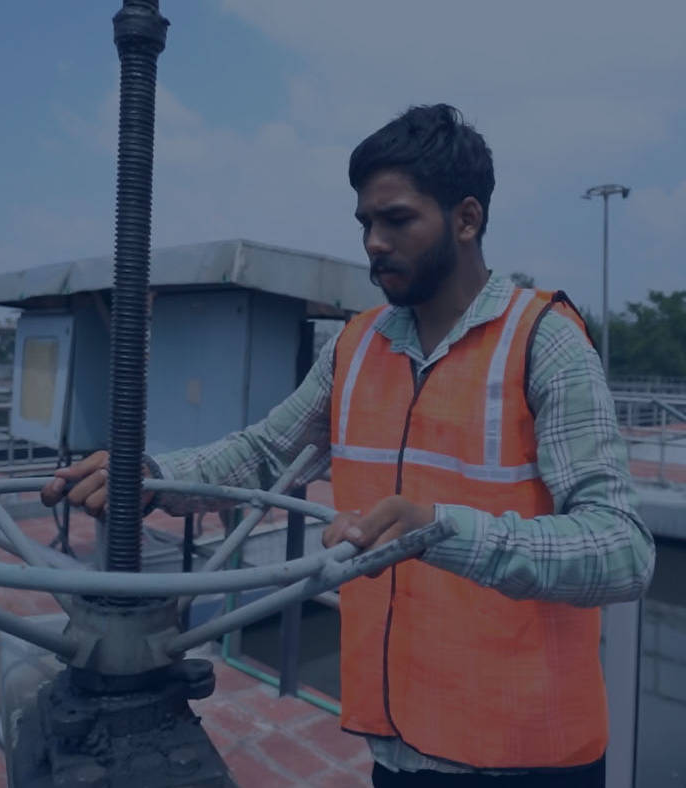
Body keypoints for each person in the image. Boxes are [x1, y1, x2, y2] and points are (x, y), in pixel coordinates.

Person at [42, 104, 655, 787]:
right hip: (396, 745)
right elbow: (265, 452)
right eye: (365, 222)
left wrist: (441, 532)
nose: (373, 242)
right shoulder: (357, 347)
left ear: (467, 219)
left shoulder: (544, 341)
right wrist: (151, 475)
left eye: (397, 220)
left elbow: (621, 549)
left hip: (526, 758)